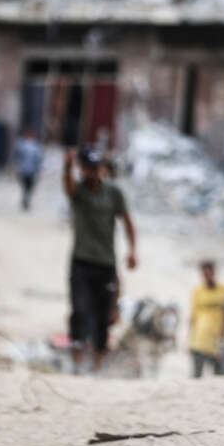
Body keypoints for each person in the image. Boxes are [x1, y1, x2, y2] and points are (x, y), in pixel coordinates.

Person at [64, 146, 137, 374]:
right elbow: (68, 185)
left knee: (104, 315)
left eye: (96, 168)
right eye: (88, 169)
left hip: (106, 263)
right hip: (81, 261)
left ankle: (97, 363)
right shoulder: (79, 192)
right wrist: (67, 165)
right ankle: (77, 359)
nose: (93, 173)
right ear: (82, 170)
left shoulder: (114, 193)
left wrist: (132, 251)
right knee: (80, 310)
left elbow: (127, 222)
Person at [188, 261, 224, 378]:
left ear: (214, 273)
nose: (207, 276)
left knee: (220, 375)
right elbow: (193, 317)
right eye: (204, 274)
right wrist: (189, 340)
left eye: (209, 273)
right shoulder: (198, 291)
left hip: (218, 339)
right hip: (200, 339)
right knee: (197, 376)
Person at [14, 129, 43, 211]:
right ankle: (24, 199)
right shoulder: (21, 144)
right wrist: (17, 166)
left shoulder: (36, 146)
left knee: (30, 186)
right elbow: (17, 156)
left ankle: (27, 200)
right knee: (24, 185)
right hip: (23, 169)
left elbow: (39, 158)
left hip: (32, 170)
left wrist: (39, 168)